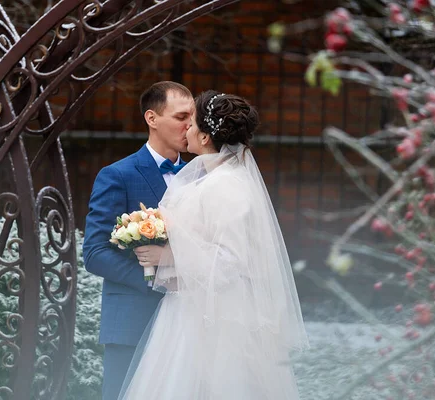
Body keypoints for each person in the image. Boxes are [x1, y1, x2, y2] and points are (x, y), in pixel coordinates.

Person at [119, 91, 309, 399]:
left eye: (191, 123)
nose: (186, 130)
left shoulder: (226, 186)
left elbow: (230, 262)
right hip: (190, 310)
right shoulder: (213, 179)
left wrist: (166, 256)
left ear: (206, 137)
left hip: (214, 321)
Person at [83, 81, 194, 400]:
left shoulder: (197, 180)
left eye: (192, 117)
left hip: (187, 324)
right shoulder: (117, 175)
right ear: (152, 118)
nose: (189, 125)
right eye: (180, 116)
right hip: (132, 322)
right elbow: (94, 252)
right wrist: (156, 281)